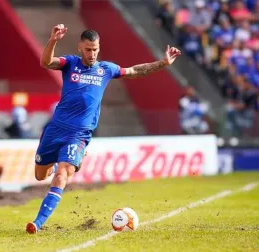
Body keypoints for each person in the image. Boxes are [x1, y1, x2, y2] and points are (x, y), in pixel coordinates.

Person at [26, 24, 181, 234]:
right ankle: (60, 163)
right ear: (80, 47)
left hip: (78, 135)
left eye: (96, 49)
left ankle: (37, 223)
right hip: (54, 131)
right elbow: (46, 62)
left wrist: (162, 63)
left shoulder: (105, 69)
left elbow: (135, 71)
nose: (92, 54)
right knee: (39, 175)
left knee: (62, 176)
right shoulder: (70, 64)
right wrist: (53, 40)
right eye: (88, 49)